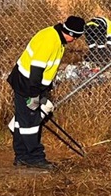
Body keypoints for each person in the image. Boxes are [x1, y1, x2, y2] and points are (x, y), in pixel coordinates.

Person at [7, 15, 85, 170]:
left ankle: (21, 156)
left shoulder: (55, 36)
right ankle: (34, 157)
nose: (75, 40)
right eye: (76, 37)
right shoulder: (51, 41)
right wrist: (34, 95)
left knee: (22, 121)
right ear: (72, 33)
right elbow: (36, 71)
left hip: (30, 84)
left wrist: (44, 92)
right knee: (30, 123)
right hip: (27, 84)